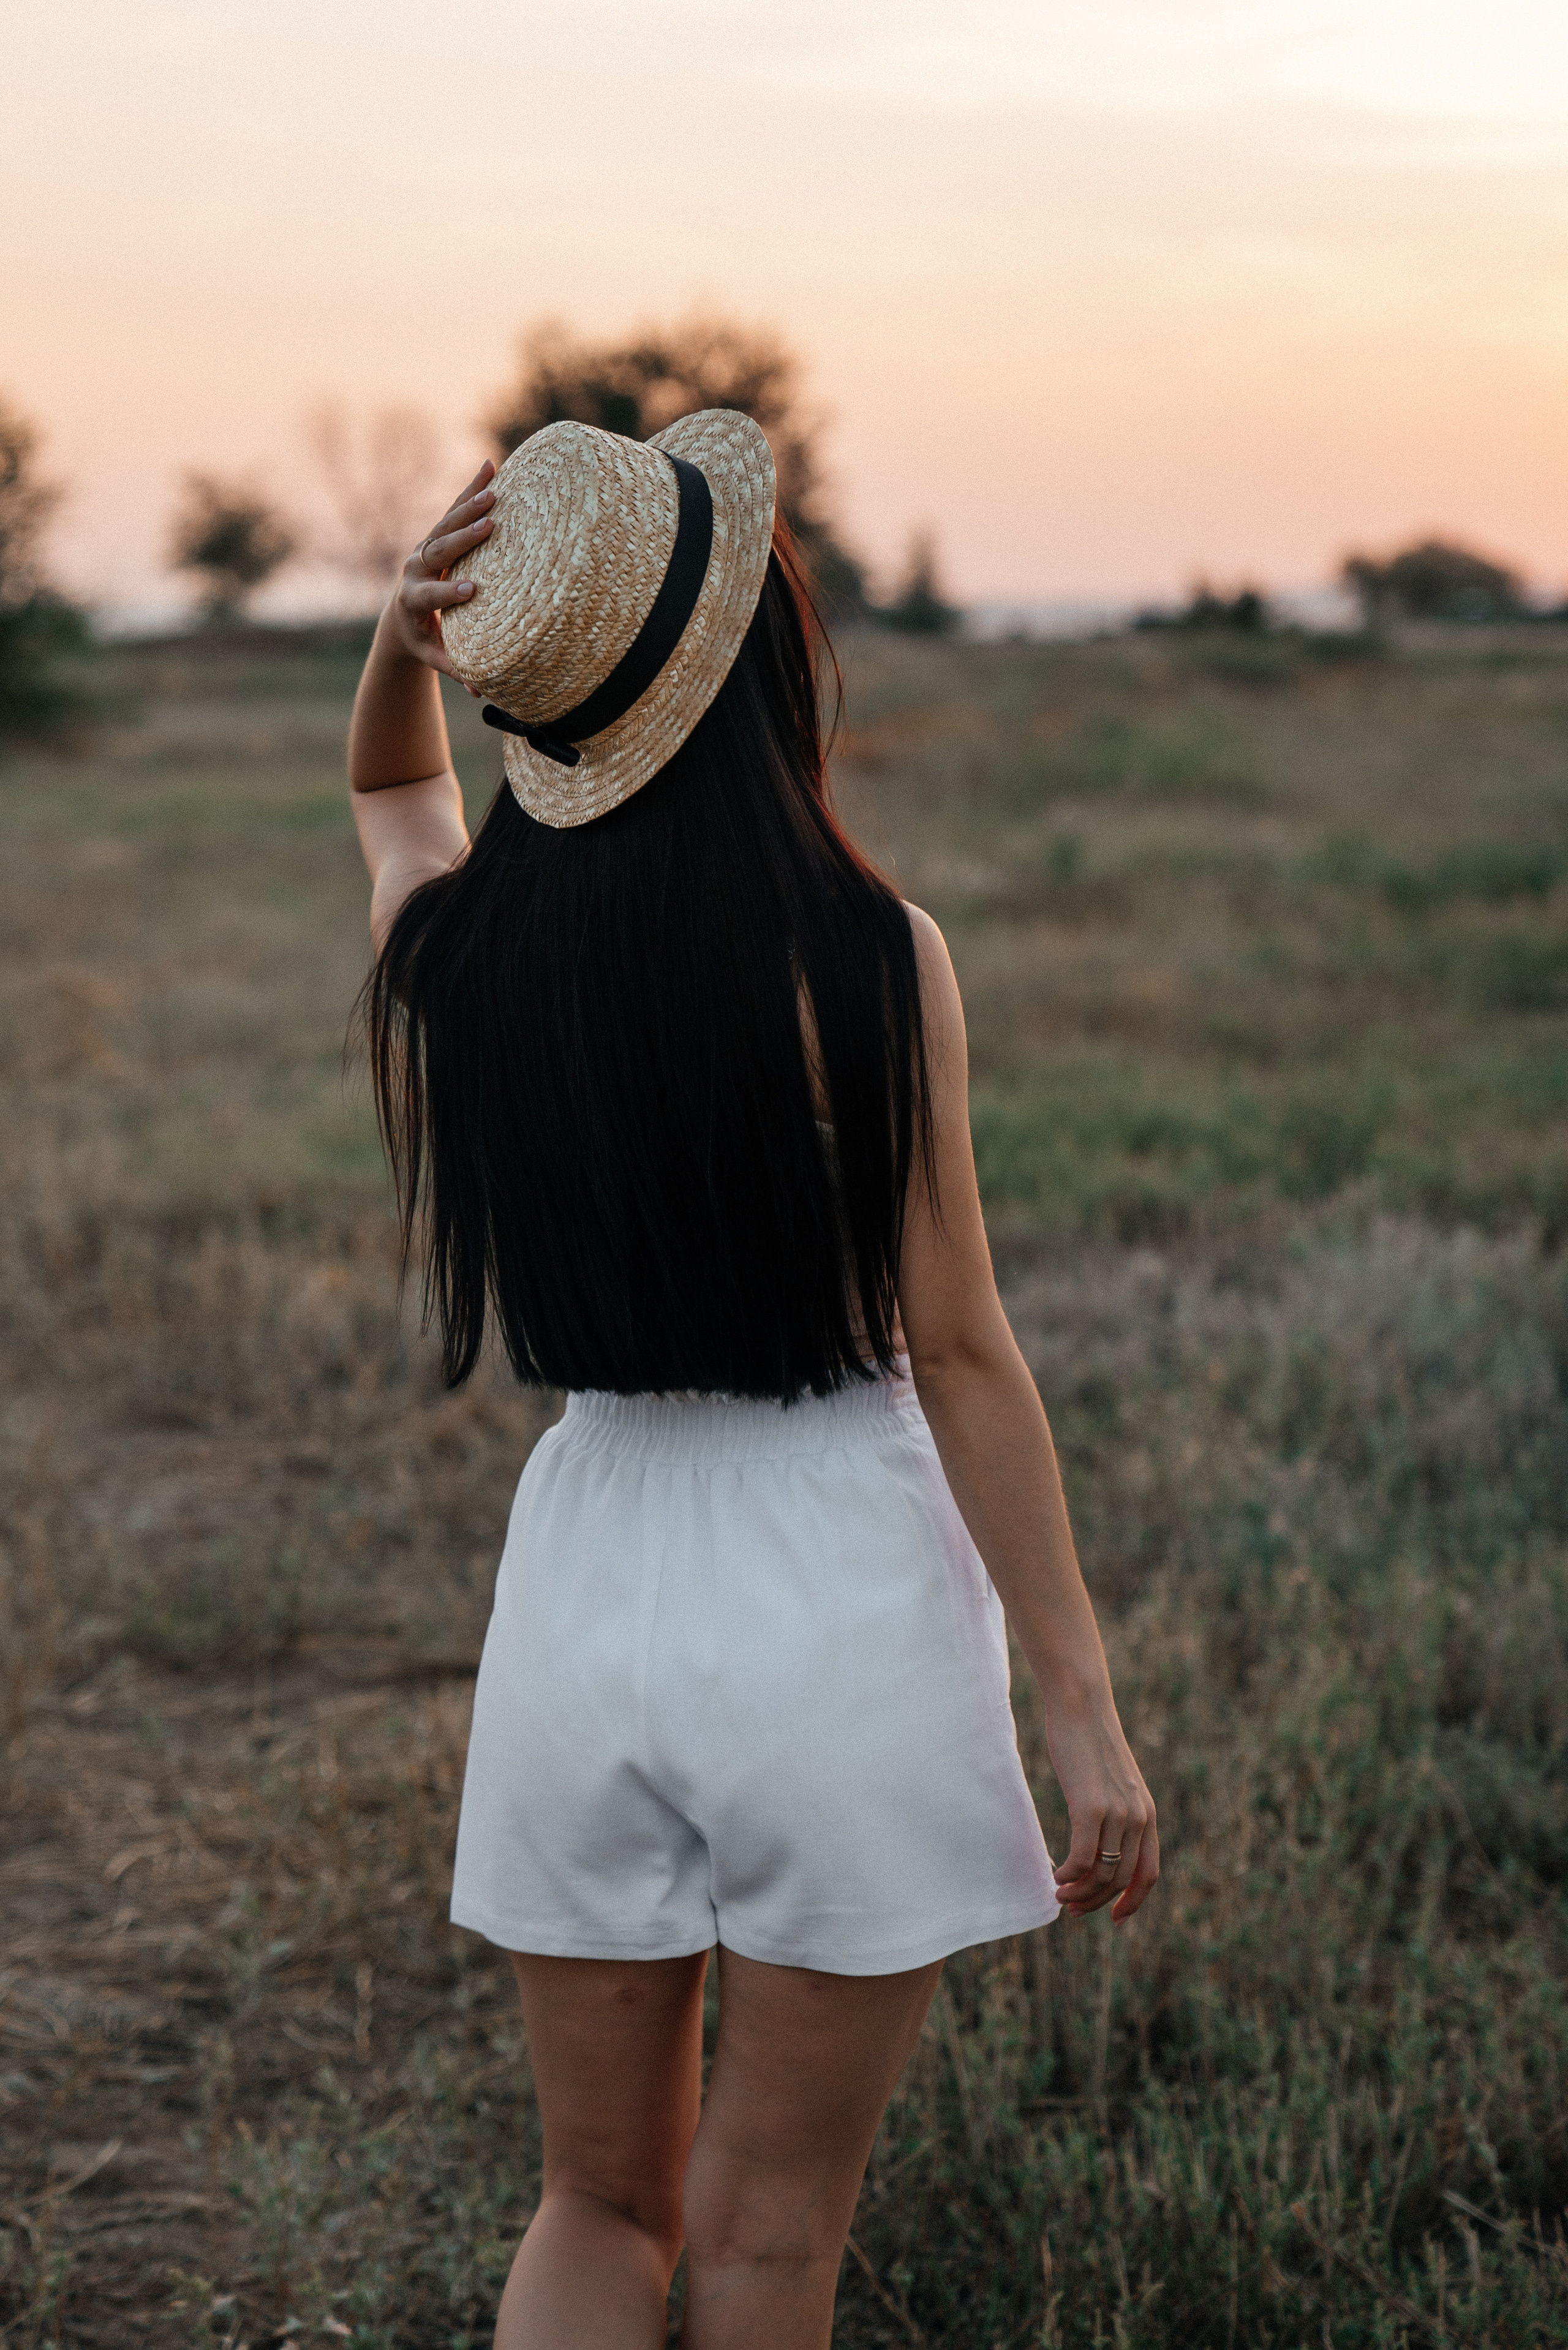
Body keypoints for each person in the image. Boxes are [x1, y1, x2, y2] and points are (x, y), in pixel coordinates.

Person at [346, 410, 1158, 2350]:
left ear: (544, 711)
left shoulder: (464, 958)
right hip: (839, 1578)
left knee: (593, 2200)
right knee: (772, 2229)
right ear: (755, 666)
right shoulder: (868, 957)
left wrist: (402, 638)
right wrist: (1084, 1710)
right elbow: (959, 1348)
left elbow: (391, 793)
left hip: (588, 1574)